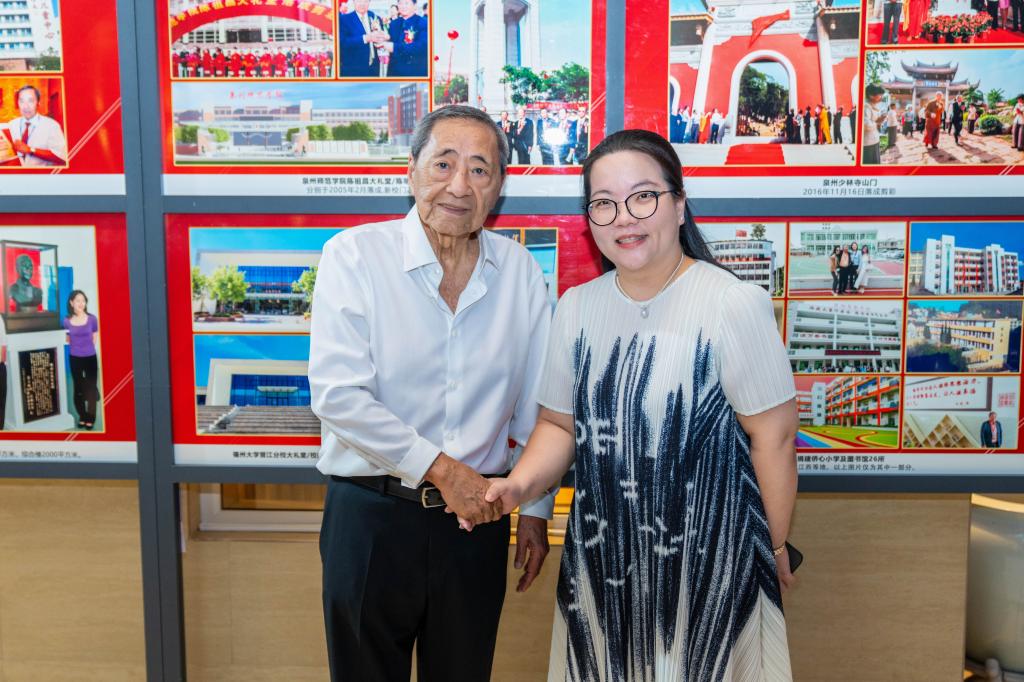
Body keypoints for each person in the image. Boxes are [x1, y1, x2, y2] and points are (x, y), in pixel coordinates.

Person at [479, 129, 798, 680]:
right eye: (604, 203)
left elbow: (775, 438)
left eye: (643, 197)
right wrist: (518, 486)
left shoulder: (732, 302)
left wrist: (771, 547)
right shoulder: (577, 307)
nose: (624, 218)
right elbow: (560, 426)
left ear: (679, 204)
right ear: (590, 220)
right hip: (604, 564)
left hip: (710, 564)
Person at [310, 105, 556, 682]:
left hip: (476, 527)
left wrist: (535, 510)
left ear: (499, 186)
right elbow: (339, 396)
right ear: (411, 170)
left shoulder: (520, 271)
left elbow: (538, 405)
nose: (459, 185)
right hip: (371, 516)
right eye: (443, 163)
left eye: (479, 169)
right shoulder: (354, 256)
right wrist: (442, 470)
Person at [63, 290, 101, 430]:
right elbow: (67, 339)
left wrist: (86, 348)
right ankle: (82, 416)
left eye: (83, 300)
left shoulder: (92, 319)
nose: (81, 303)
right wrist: (78, 348)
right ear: (71, 302)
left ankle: (90, 418)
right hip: (75, 358)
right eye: (78, 300)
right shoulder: (66, 321)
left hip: (90, 357)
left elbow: (94, 336)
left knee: (90, 388)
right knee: (78, 388)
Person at [6, 85, 67, 167]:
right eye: (21, 101)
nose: (26, 106)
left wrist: (30, 150)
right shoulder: (11, 124)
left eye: (30, 101)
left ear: (38, 103)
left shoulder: (52, 125)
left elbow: (62, 158)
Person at [338, 0, 386, 77]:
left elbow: (381, 38)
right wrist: (365, 38)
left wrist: (381, 37)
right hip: (353, 69)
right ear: (353, 2)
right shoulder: (343, 19)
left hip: (373, 68)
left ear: (369, 2)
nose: (362, 4)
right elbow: (342, 43)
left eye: (365, 1)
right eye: (359, 1)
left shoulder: (374, 17)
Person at [385, 0, 428, 77]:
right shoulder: (394, 23)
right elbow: (391, 42)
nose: (403, 6)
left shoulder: (423, 23)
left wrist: (394, 48)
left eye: (406, 3)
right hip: (394, 72)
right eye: (400, 3)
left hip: (414, 72)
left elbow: (422, 46)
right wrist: (384, 38)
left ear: (415, 5)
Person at [862, 84, 886, 165]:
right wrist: (877, 122)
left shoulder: (873, 106)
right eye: (880, 95)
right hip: (868, 142)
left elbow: (874, 120)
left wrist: (880, 119)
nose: (881, 98)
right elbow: (866, 124)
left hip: (874, 139)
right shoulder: (866, 107)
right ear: (871, 95)